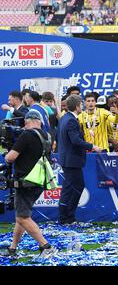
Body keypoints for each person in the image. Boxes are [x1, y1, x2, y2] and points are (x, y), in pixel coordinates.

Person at [0, 110, 58, 258]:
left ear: (27, 121)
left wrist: (6, 156)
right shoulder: (47, 136)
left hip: (25, 182)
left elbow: (11, 157)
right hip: (39, 181)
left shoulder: (26, 135)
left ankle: (46, 246)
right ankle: (13, 249)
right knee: (22, 215)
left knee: (22, 218)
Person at [57, 95, 101, 225]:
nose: (82, 106)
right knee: (72, 188)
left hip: (69, 159)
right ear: (77, 106)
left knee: (71, 188)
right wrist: (92, 146)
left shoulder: (65, 118)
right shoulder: (70, 120)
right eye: (81, 104)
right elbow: (75, 140)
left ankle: (67, 217)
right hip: (71, 161)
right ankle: (66, 218)